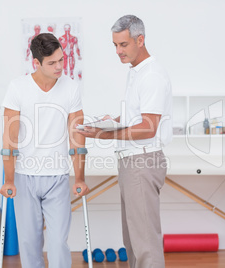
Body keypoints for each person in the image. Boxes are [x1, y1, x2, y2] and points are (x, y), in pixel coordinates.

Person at [78, 15, 172, 268]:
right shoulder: (137, 72)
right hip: (131, 162)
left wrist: (106, 134)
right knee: (132, 240)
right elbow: (136, 118)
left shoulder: (151, 75)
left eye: (123, 45)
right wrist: (108, 123)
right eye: (115, 45)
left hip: (142, 161)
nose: (118, 51)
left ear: (140, 40)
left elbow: (148, 127)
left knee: (145, 243)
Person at [0, 33, 90, 268]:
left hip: (57, 176)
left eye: (62, 60)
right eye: (52, 62)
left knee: (58, 242)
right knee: (30, 242)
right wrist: (9, 180)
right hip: (24, 176)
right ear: (36, 63)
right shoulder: (18, 88)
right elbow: (9, 139)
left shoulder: (71, 88)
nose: (60, 66)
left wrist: (79, 177)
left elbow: (76, 136)